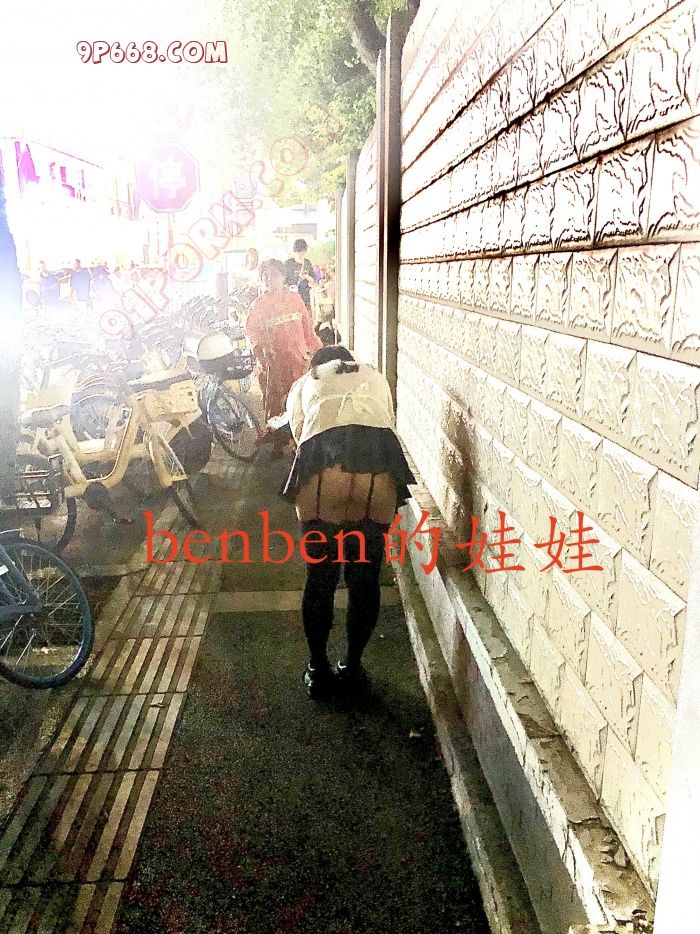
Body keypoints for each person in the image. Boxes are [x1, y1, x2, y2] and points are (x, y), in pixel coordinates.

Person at [281, 345, 416, 699]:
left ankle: (318, 670)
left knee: (321, 577)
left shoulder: (305, 382)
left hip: (325, 475)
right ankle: (353, 667)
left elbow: (301, 435)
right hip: (377, 474)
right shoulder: (374, 375)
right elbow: (386, 419)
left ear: (317, 366)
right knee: (365, 578)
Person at [245, 259, 322, 451]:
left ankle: (301, 439)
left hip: (299, 361)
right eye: (265, 277)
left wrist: (315, 351)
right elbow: (251, 332)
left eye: (274, 275)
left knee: (300, 399)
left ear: (283, 276)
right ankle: (278, 442)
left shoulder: (295, 299)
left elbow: (307, 328)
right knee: (276, 403)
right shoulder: (258, 305)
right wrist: (262, 347)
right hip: (274, 366)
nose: (269, 280)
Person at [283, 239, 316, 312]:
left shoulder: (307, 263)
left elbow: (313, 280)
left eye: (303, 253)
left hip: (305, 298)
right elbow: (284, 281)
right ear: (295, 252)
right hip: (292, 297)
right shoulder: (288, 263)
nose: (301, 255)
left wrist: (306, 276)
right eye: (299, 253)